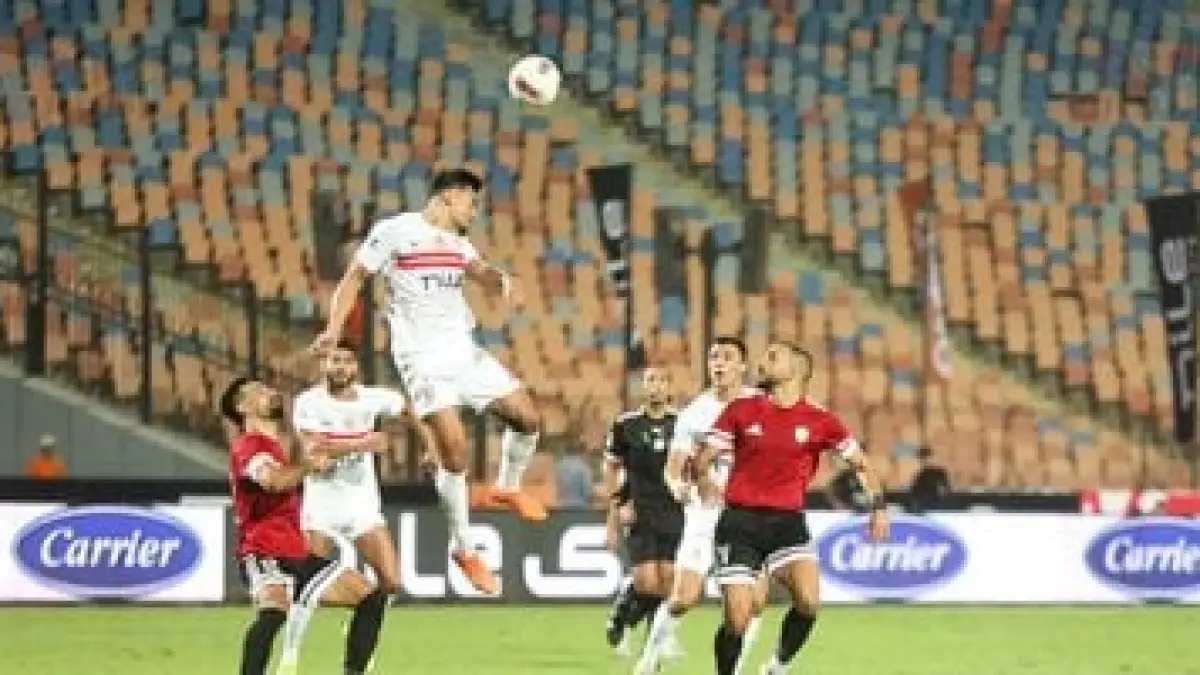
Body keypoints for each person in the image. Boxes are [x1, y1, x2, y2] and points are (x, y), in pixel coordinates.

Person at [311, 169, 545, 595]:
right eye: (471, 202)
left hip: (464, 352)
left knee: (528, 418)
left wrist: (504, 281)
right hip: (423, 361)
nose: (474, 212)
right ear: (449, 197)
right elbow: (355, 278)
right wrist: (333, 328)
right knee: (454, 450)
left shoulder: (458, 243)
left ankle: (507, 488)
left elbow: (481, 271)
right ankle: (464, 548)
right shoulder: (395, 232)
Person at [696, 341, 889, 675]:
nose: (762, 362)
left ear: (797, 370)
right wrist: (703, 479)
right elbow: (705, 457)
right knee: (737, 619)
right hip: (740, 522)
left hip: (787, 523)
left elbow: (861, 464)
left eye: (773, 357)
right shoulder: (741, 410)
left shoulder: (821, 420)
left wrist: (879, 507)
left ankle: (776, 666)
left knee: (809, 601)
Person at [221, 376, 387, 675]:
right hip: (264, 550)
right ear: (243, 407)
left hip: (295, 552)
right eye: (260, 391)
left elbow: (300, 464)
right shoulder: (249, 445)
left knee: (370, 598)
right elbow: (272, 481)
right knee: (274, 611)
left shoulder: (274, 446)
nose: (270, 392)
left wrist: (356, 445)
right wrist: (310, 467)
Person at [637, 337, 763, 675]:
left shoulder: (761, 406)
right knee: (684, 598)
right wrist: (677, 487)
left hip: (749, 517)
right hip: (704, 517)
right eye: (713, 357)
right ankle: (648, 662)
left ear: (742, 366)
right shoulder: (694, 414)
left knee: (753, 604)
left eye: (727, 357)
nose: (719, 363)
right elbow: (672, 468)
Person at [293, 341, 429, 604]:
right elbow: (316, 450)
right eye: (335, 360)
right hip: (322, 507)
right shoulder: (309, 402)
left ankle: (363, 619)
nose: (341, 367)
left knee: (391, 582)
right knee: (307, 583)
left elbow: (409, 411)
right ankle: (293, 632)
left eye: (347, 361)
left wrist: (430, 447)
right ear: (324, 365)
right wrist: (364, 444)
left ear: (356, 367)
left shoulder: (372, 399)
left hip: (361, 506)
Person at [602, 366, 684, 656]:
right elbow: (611, 468)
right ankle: (621, 615)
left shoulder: (682, 424)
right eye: (650, 380)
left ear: (670, 388)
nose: (656, 386)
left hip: (674, 509)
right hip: (639, 508)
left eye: (662, 381)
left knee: (669, 579)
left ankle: (657, 640)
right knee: (646, 581)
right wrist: (617, 509)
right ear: (643, 386)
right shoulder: (626, 425)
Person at [908, 446, 951, 513]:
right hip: (924, 508)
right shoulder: (921, 475)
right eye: (922, 459)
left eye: (925, 458)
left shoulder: (938, 473)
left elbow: (944, 491)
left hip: (934, 508)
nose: (924, 461)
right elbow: (914, 494)